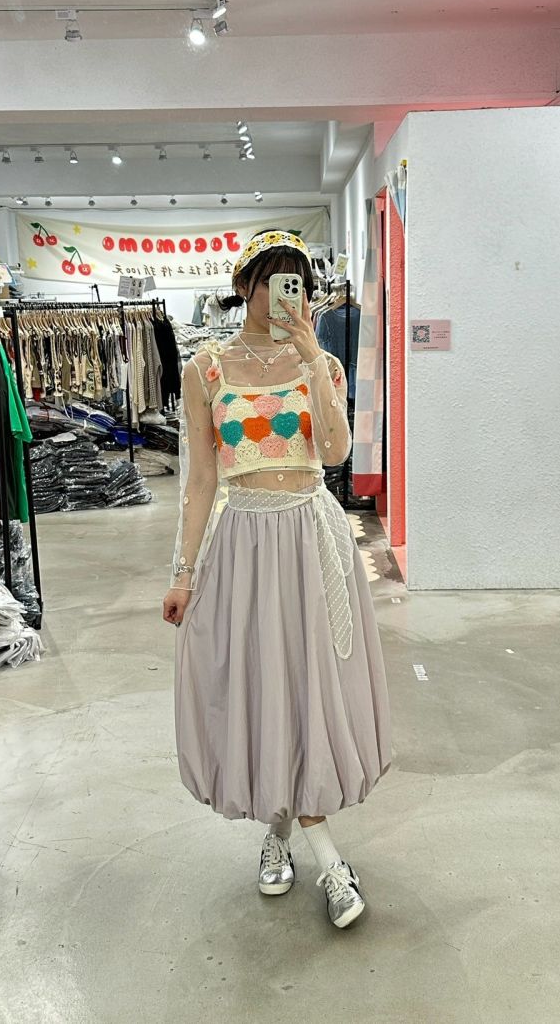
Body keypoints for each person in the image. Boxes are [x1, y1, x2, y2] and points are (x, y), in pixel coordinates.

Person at [163, 230, 391, 930]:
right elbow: (201, 481)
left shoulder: (321, 363)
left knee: (311, 685)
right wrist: (183, 572)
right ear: (244, 286)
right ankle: (299, 842)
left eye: (298, 282)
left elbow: (336, 451)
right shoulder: (206, 369)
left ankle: (303, 845)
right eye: (273, 280)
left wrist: (314, 358)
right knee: (264, 684)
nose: (286, 294)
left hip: (312, 539)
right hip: (244, 543)